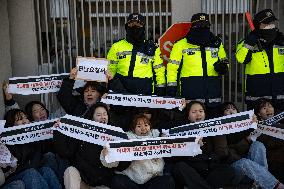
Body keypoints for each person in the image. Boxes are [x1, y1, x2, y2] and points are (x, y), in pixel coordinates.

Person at [166, 13, 228, 118]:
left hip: (212, 95)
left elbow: (224, 61)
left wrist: (223, 67)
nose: (202, 28)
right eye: (199, 25)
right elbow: (172, 68)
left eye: (205, 25)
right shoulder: (180, 44)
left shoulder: (217, 43)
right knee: (190, 130)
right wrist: (171, 88)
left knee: (212, 129)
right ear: (192, 27)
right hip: (191, 96)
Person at [214, 102, 284, 189]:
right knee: (245, 162)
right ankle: (276, 186)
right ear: (222, 115)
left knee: (258, 145)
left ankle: (259, 184)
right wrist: (246, 141)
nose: (231, 111)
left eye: (233, 109)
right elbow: (223, 153)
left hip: (251, 167)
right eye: (227, 110)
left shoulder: (246, 126)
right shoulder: (219, 131)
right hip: (233, 169)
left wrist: (254, 126)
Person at [58, 103, 127, 189]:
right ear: (92, 118)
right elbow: (65, 152)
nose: (103, 117)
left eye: (105, 114)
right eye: (98, 115)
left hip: (103, 185)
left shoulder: (116, 136)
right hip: (82, 182)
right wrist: (59, 130)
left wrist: (113, 158)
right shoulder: (81, 135)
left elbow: (123, 165)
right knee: (70, 171)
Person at [167, 101, 235, 189]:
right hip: (192, 169)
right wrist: (191, 144)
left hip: (210, 168)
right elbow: (174, 157)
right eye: (194, 112)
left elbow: (222, 153)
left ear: (205, 114)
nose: (198, 114)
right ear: (188, 116)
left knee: (228, 170)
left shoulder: (213, 129)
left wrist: (218, 135)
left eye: (201, 111)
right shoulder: (181, 131)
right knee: (179, 167)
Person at [100, 114, 175, 189]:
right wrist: (106, 155)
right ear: (133, 129)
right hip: (132, 180)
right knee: (117, 181)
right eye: (139, 126)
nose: (143, 128)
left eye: (146, 125)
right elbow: (112, 161)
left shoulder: (157, 136)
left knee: (168, 181)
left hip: (153, 179)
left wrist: (166, 139)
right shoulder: (125, 139)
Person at [236, 9, 284, 111]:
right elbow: (241, 59)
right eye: (267, 23)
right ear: (259, 25)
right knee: (257, 126)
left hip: (280, 96)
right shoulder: (247, 42)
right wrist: (250, 42)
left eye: (272, 22)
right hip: (257, 98)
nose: (271, 25)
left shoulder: (281, 41)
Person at [107, 13, 166, 96]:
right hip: (121, 93)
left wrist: (160, 91)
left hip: (145, 94)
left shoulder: (152, 47)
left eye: (138, 25)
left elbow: (159, 72)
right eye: (131, 25)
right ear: (126, 28)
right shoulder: (116, 46)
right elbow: (110, 70)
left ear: (143, 28)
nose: (135, 28)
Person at [3, 109, 62, 189]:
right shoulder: (7, 142)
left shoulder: (36, 138)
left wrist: (55, 130)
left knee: (47, 170)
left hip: (34, 173)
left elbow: (51, 148)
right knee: (31, 173)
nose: (24, 121)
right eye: (20, 119)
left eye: (26, 118)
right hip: (16, 176)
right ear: (11, 124)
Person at [254, 98, 284, 183]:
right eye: (264, 108)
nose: (268, 109)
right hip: (270, 164)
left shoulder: (281, 123)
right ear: (259, 113)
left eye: (270, 106)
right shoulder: (255, 127)